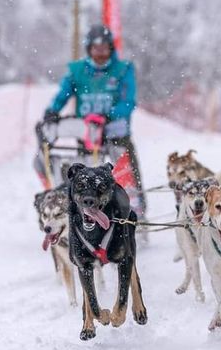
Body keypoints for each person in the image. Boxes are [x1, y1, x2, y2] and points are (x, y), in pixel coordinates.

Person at [41, 24, 146, 216]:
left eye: (104, 48)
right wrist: (52, 111)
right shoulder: (77, 71)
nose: (100, 53)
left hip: (116, 131)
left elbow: (129, 102)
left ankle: (135, 213)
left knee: (125, 174)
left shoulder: (122, 70)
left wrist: (109, 116)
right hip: (88, 132)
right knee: (85, 176)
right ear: (89, 49)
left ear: (111, 49)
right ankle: (86, 213)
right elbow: (63, 94)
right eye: (96, 49)